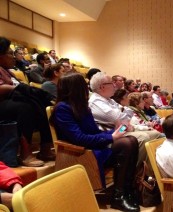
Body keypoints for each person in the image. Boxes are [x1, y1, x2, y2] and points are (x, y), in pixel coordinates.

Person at [51, 72, 140, 211]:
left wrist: (116, 132)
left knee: (131, 140)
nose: (87, 89)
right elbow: (78, 138)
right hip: (80, 153)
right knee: (127, 144)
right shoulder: (62, 108)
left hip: (93, 147)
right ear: (77, 88)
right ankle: (119, 195)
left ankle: (125, 190)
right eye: (84, 86)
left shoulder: (81, 106)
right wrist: (111, 137)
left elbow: (94, 132)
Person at [0, 37, 55, 167]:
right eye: (9, 53)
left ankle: (46, 148)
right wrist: (20, 88)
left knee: (43, 105)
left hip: (11, 101)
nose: (13, 57)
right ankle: (25, 153)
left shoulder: (8, 71)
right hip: (2, 103)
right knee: (25, 107)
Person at [89, 73, 160, 169]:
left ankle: (149, 171)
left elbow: (128, 114)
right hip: (111, 135)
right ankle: (131, 170)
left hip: (121, 129)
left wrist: (122, 117)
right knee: (144, 138)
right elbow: (117, 117)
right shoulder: (95, 102)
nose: (114, 85)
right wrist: (122, 116)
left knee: (155, 134)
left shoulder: (109, 100)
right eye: (111, 83)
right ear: (102, 87)